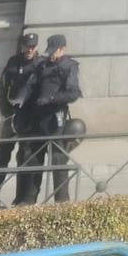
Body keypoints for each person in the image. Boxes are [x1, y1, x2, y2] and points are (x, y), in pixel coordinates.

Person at [14, 34, 82, 206]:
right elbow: (30, 84)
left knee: (58, 159)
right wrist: (21, 97)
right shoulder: (42, 65)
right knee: (33, 157)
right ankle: (29, 201)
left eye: (54, 51)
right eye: (49, 51)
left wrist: (52, 98)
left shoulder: (69, 66)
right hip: (39, 117)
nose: (51, 55)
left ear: (62, 49)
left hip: (56, 118)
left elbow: (73, 93)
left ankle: (62, 202)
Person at [0, 31, 42, 211]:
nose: (29, 49)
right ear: (21, 46)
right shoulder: (13, 62)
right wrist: (6, 113)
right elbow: (2, 89)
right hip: (11, 116)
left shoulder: (40, 65)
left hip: (29, 118)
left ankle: (23, 199)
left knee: (25, 156)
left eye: (32, 46)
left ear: (36, 47)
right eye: (26, 46)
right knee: (1, 155)